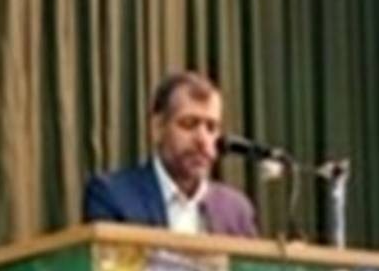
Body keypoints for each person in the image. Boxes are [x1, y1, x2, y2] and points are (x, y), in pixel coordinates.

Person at [83, 71, 257, 237]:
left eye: (211, 128)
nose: (203, 140)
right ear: (157, 128)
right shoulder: (113, 195)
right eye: (189, 124)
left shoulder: (236, 210)